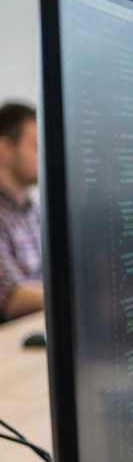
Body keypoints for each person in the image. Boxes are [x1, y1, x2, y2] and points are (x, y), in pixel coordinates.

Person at [0, 102, 43, 321]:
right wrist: (78, 296)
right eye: (36, 147)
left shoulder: (33, 211)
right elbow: (11, 296)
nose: (44, 156)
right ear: (5, 150)